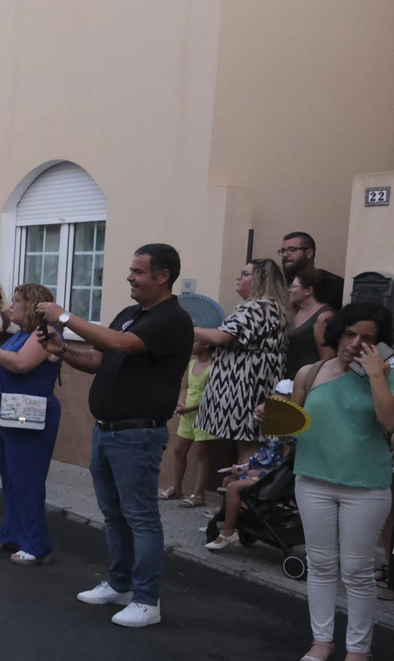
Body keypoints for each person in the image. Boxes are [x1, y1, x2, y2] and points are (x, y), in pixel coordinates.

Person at [37, 243, 194, 628]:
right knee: (114, 516)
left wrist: (66, 317)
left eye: (138, 272)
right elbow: (100, 357)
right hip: (106, 433)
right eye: (131, 270)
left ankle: (147, 599)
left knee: (141, 518)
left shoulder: (172, 319)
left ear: (163, 277)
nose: (129, 277)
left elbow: (122, 344)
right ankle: (120, 584)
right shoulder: (129, 314)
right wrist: (62, 351)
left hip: (138, 435)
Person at [275, 303, 394, 661]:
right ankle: (321, 643)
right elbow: (293, 424)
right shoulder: (310, 372)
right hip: (313, 481)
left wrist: (376, 376)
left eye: (368, 338)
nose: (356, 343)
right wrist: (270, 416)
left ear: (380, 344)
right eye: (349, 334)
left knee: (357, 572)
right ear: (338, 332)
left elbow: (389, 422)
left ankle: (359, 651)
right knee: (322, 565)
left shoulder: (387, 375)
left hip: (366, 487)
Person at [0, 283, 63, 564]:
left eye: (16, 301)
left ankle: (35, 544)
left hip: (30, 411)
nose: (10, 305)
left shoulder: (45, 333)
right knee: (11, 477)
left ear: (32, 305)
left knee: (28, 479)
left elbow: (20, 364)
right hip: (7, 410)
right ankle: (11, 532)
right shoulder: (21, 334)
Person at [194, 258, 290, 468]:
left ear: (260, 280)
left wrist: (187, 327)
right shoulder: (263, 306)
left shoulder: (260, 306)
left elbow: (222, 337)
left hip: (248, 383)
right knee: (245, 444)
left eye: (245, 274)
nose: (239, 277)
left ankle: (244, 492)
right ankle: (237, 492)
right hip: (251, 381)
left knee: (249, 445)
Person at [160, 337, 216, 508]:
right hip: (187, 414)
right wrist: (181, 403)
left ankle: (198, 495)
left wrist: (189, 408)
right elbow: (185, 387)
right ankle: (176, 487)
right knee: (179, 450)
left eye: (195, 341)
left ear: (206, 344)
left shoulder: (214, 367)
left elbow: (212, 396)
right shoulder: (191, 363)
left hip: (204, 414)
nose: (190, 345)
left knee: (201, 454)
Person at [285, 267, 339, 378]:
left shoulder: (324, 317)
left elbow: (327, 359)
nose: (289, 290)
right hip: (287, 380)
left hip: (307, 380)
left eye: (293, 286)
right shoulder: (295, 312)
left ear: (308, 290)